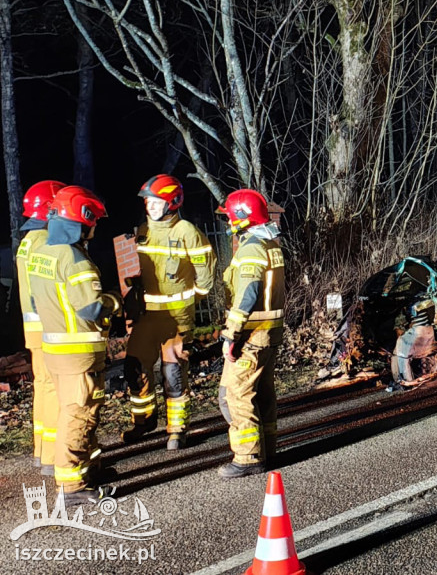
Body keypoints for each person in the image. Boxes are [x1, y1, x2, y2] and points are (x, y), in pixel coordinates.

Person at [27, 186, 119, 504]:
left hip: (56, 351)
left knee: (79, 412)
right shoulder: (75, 259)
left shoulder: (42, 254)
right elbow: (92, 309)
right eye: (93, 222)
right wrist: (114, 302)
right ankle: (71, 486)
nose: (94, 229)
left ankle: (88, 469)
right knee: (79, 414)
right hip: (78, 354)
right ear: (83, 219)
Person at [122, 174, 215, 451]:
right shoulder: (142, 231)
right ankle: (144, 421)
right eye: (148, 201)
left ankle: (177, 430)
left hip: (176, 317)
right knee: (134, 368)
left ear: (172, 202)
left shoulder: (187, 232)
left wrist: (190, 303)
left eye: (155, 201)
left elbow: (206, 278)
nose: (149, 206)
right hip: (148, 316)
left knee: (173, 373)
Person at [216, 189, 285, 478]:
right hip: (269, 335)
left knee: (236, 394)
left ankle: (247, 457)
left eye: (231, 215)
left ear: (242, 217)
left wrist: (232, 334)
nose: (229, 220)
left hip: (251, 337)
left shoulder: (251, 248)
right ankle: (267, 449)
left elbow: (248, 294)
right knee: (263, 394)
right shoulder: (270, 244)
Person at [15, 180, 65, 475]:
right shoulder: (46, 241)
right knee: (56, 390)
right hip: (49, 327)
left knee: (44, 387)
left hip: (33, 328)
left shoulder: (28, 241)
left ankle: (43, 451)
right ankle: (55, 455)